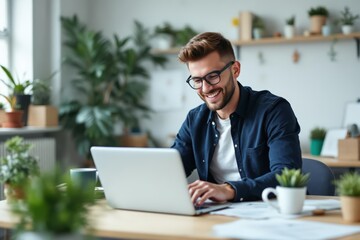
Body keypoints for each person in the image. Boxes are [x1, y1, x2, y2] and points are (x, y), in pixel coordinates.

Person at [171, 32, 302, 205]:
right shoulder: (195, 120)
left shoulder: (274, 110)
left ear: (235, 70)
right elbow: (170, 171)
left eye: (212, 76)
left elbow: (286, 175)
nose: (205, 88)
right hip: (216, 216)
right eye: (197, 80)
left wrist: (228, 190)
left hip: (270, 212)